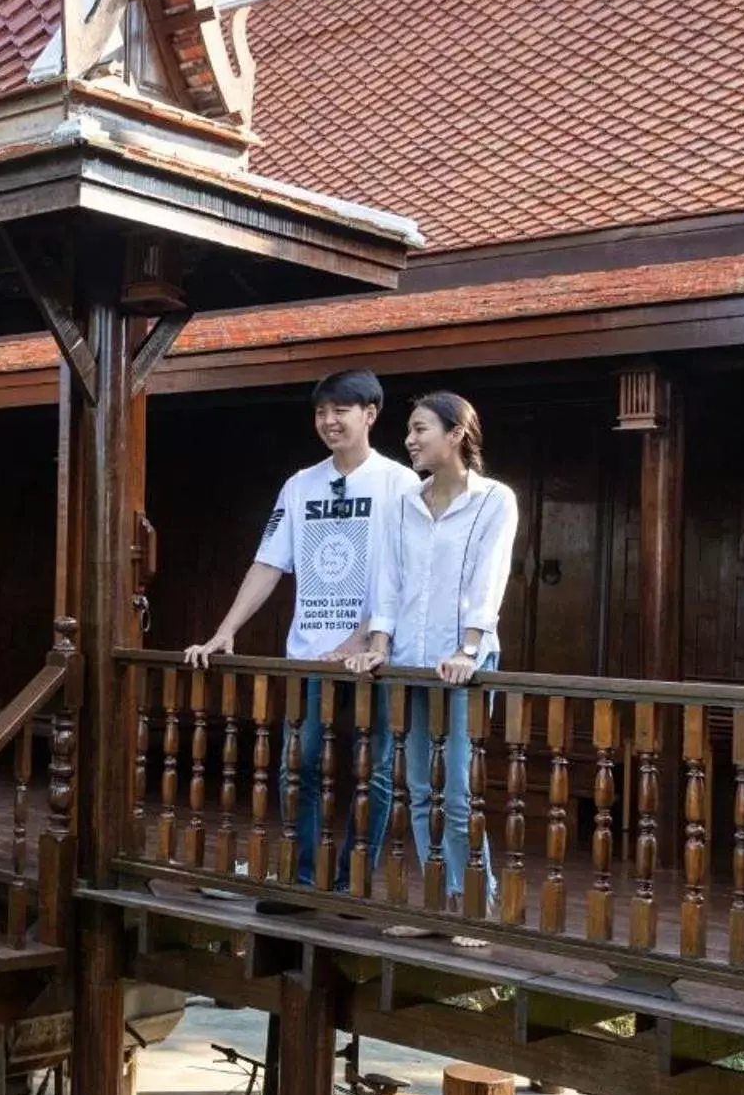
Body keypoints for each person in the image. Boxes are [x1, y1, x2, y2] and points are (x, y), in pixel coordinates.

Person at [182, 369, 420, 883]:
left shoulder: (399, 483)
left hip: (370, 660)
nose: (329, 420)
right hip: (308, 654)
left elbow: (407, 575)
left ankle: (354, 881)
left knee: (372, 772)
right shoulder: (299, 485)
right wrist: (226, 631)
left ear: (370, 414)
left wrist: (361, 636)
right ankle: (303, 879)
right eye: (321, 411)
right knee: (299, 766)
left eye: (341, 410)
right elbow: (268, 563)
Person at [348, 391, 518, 913]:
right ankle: (439, 908)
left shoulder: (495, 499)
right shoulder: (404, 504)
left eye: (421, 429)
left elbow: (489, 580)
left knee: (459, 791)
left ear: (455, 434)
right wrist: (379, 646)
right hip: (411, 662)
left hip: (463, 665)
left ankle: (475, 906)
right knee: (420, 788)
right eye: (410, 430)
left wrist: (468, 649)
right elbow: (389, 581)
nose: (410, 440)